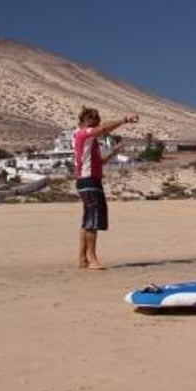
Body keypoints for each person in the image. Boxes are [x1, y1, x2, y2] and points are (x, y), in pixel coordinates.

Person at [74, 107, 139, 270]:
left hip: (89, 180)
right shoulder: (83, 133)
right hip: (88, 181)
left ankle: (82, 258)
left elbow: (99, 162)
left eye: (97, 119)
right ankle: (92, 258)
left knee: (88, 219)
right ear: (84, 121)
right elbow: (102, 129)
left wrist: (113, 153)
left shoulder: (90, 142)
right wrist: (125, 120)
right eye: (93, 119)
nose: (97, 122)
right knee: (93, 219)